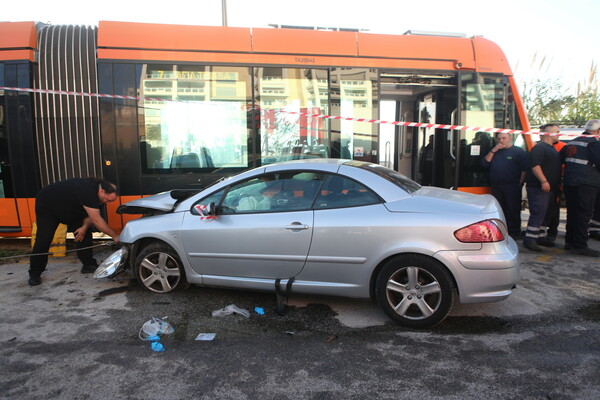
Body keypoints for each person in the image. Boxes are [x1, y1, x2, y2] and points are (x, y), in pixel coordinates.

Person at [28, 177, 120, 286]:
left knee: (83, 232)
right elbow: (96, 219)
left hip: (72, 208)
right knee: (44, 238)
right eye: (108, 200)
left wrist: (84, 227)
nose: (107, 203)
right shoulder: (88, 190)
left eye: (111, 201)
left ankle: (88, 264)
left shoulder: (100, 197)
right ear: (102, 191)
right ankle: (34, 273)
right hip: (49, 206)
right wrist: (115, 236)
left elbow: (90, 216)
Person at [560, 119, 600, 257]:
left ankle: (569, 242)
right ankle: (580, 245)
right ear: (598, 131)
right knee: (584, 215)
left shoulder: (572, 142)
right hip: (587, 183)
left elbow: (562, 158)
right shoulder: (593, 143)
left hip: (570, 182)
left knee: (572, 213)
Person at [481, 132, 529, 239]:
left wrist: (520, 183)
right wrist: (494, 150)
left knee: (512, 209)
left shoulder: (518, 152)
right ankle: (500, 231)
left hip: (512, 185)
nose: (501, 140)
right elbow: (484, 163)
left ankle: (514, 232)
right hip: (496, 185)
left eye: (504, 138)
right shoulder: (495, 151)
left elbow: (524, 169)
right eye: (499, 138)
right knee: (499, 209)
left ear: (510, 139)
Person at [523, 124, 562, 251]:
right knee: (538, 213)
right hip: (538, 188)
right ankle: (530, 239)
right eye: (557, 131)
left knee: (545, 214)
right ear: (550, 133)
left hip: (549, 189)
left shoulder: (551, 148)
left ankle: (540, 236)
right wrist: (543, 181)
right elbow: (535, 165)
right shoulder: (539, 148)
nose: (559, 134)